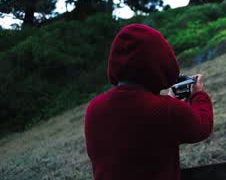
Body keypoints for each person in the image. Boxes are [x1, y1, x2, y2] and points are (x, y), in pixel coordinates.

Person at [84, 24, 213, 180]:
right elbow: (202, 126)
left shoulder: (94, 109)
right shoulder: (167, 111)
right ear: (160, 62)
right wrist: (198, 95)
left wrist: (169, 102)